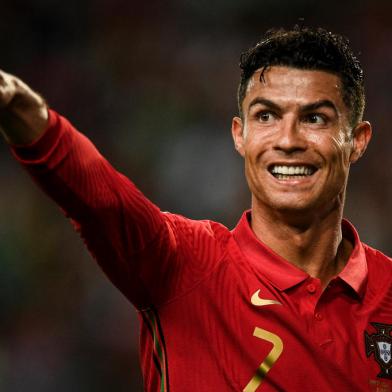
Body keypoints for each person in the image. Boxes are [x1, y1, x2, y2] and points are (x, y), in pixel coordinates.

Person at [0, 26, 390, 391]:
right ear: (240, 135)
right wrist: (22, 110)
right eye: (266, 116)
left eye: (314, 118)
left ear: (356, 141)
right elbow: (100, 199)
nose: (287, 140)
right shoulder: (185, 264)